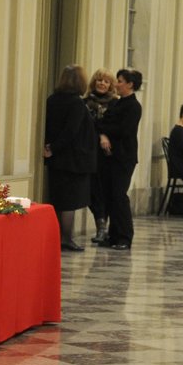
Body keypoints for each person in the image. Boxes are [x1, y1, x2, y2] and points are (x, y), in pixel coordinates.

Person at [42, 64, 95, 252]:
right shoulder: (76, 103)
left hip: (56, 159)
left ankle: (57, 237)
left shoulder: (52, 100)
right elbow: (71, 130)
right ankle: (66, 238)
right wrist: (56, 148)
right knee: (69, 202)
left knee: (58, 199)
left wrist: (51, 147)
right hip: (72, 159)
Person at [96, 68, 142, 249]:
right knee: (109, 195)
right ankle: (113, 236)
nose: (116, 84)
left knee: (119, 195)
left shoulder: (133, 106)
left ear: (130, 84)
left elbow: (125, 130)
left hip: (124, 156)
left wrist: (106, 131)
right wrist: (103, 134)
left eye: (120, 81)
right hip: (109, 157)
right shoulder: (115, 103)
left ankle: (125, 236)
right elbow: (101, 122)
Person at [83, 68, 116, 242]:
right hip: (90, 152)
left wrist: (105, 135)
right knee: (92, 192)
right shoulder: (86, 103)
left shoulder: (115, 104)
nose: (102, 84)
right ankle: (101, 226)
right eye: (99, 80)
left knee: (106, 190)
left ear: (111, 85)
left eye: (106, 81)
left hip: (109, 154)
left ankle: (104, 228)